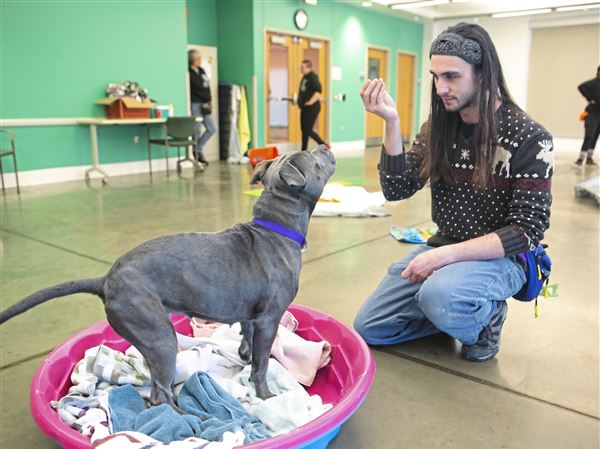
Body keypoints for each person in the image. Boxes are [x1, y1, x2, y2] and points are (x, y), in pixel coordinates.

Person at [354, 23, 554, 362]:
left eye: (451, 77)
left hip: (504, 259)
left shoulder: (530, 137)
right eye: (435, 76)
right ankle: (448, 312)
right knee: (371, 327)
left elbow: (527, 231)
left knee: (440, 293)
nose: (440, 87)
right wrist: (391, 121)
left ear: (482, 74)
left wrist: (443, 257)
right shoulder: (439, 128)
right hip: (446, 245)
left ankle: (487, 318)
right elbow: (396, 188)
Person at [188, 50, 216, 165]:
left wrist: (209, 101)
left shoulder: (202, 70)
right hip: (196, 104)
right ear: (193, 60)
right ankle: (198, 153)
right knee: (197, 130)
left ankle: (197, 148)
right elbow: (198, 88)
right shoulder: (189, 72)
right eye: (198, 58)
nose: (200, 60)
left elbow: (206, 86)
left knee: (212, 128)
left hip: (206, 104)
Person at [298, 60, 327, 151]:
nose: (301, 69)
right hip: (305, 108)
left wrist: (310, 102)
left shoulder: (313, 77)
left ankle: (324, 146)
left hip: (312, 108)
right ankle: (304, 150)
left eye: (302, 67)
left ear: (309, 67)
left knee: (308, 129)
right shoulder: (304, 77)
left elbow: (318, 91)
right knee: (304, 130)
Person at [574, 66, 600, 167]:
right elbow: (581, 87)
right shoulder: (594, 82)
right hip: (592, 113)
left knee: (595, 136)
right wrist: (590, 98)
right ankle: (580, 159)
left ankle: (589, 158)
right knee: (589, 135)